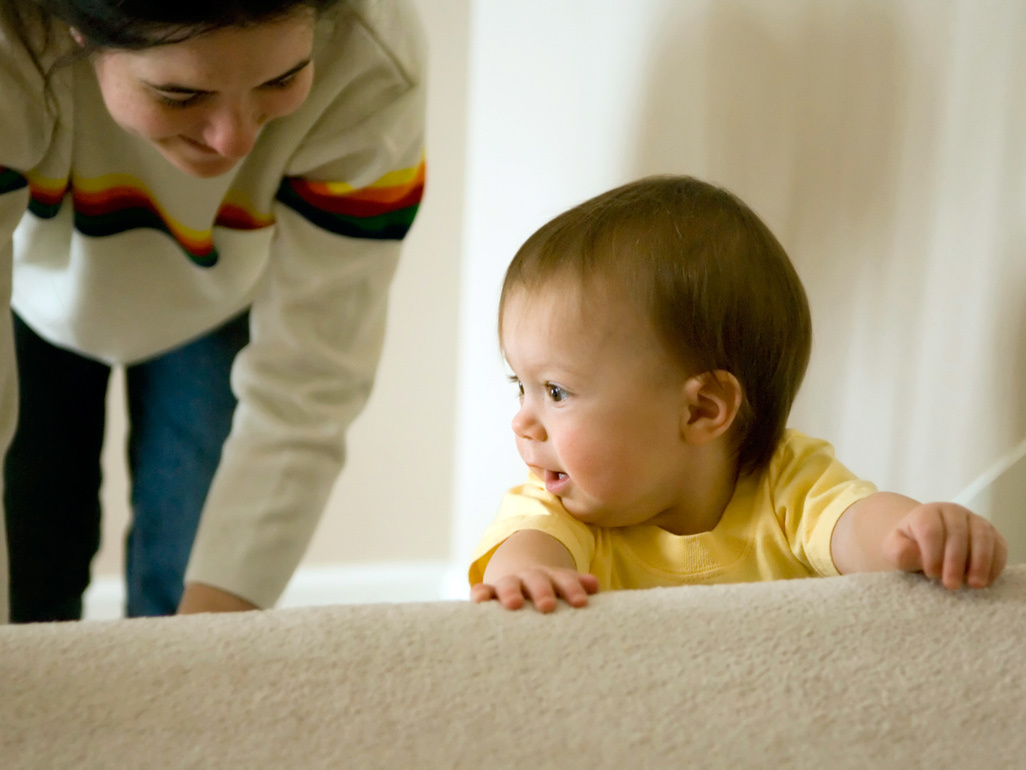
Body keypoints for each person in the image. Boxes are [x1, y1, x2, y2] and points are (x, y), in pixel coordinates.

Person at [0, 0, 426, 623]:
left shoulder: (372, 60)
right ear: (75, 30)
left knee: (190, 583)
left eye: (282, 80)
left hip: (221, 300)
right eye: (179, 94)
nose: (236, 139)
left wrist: (203, 652)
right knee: (32, 574)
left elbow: (309, 384)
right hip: (26, 294)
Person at [469, 175, 1008, 613]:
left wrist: (917, 534)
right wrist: (530, 579)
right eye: (522, 387)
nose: (523, 422)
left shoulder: (786, 484)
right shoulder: (563, 507)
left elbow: (856, 525)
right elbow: (528, 552)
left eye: (556, 391)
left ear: (701, 409)